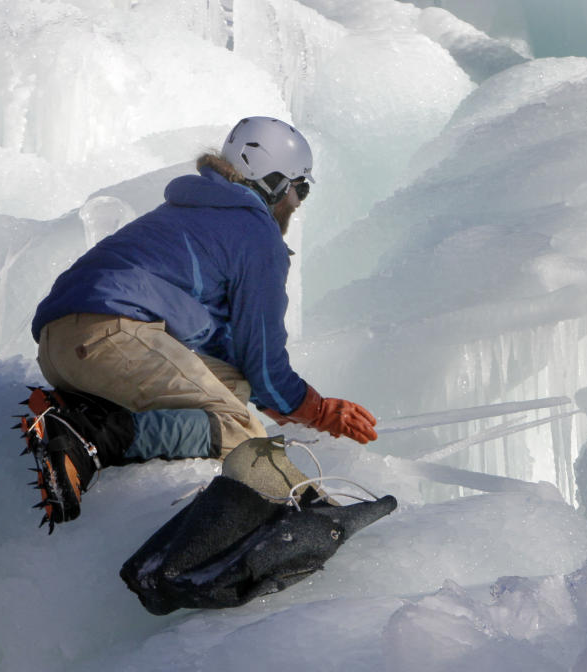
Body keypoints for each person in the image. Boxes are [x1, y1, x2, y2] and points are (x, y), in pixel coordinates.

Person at [24, 116, 378, 532]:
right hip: (110, 337)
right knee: (239, 429)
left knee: (233, 387)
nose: (299, 203)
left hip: (62, 347)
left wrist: (281, 402)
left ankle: (85, 411)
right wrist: (314, 409)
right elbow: (262, 355)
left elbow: (236, 352)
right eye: (301, 188)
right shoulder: (254, 233)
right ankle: (89, 435)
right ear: (276, 183)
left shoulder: (189, 213)